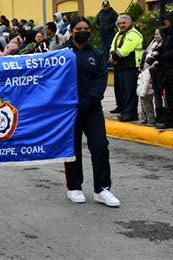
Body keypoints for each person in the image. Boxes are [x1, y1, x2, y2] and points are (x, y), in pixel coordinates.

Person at [64, 16, 120, 207]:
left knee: (100, 147)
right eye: (79, 28)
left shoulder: (96, 54)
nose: (83, 31)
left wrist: (89, 100)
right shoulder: (61, 55)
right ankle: (74, 187)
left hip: (92, 109)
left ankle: (102, 189)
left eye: (87, 28)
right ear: (71, 31)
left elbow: (101, 79)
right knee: (72, 150)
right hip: (69, 112)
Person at [152, 11, 173, 134]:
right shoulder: (169, 34)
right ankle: (170, 120)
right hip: (168, 72)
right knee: (170, 98)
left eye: (167, 20)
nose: (165, 22)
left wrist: (162, 56)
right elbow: (163, 47)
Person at [109, 14, 143, 122]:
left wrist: (113, 57)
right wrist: (111, 56)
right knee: (122, 90)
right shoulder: (119, 34)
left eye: (124, 23)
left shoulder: (133, 34)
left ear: (130, 22)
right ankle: (124, 110)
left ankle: (131, 113)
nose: (121, 25)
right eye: (119, 23)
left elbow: (124, 51)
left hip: (130, 67)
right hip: (120, 66)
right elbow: (112, 46)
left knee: (130, 91)